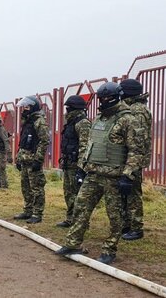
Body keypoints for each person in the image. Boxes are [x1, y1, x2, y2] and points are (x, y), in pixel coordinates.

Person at [55, 82, 143, 264]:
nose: (103, 101)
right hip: (93, 174)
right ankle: (73, 243)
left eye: (106, 98)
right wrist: (82, 168)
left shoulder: (128, 119)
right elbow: (90, 145)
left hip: (115, 177)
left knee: (115, 216)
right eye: (101, 98)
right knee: (80, 207)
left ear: (116, 97)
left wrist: (128, 176)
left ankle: (109, 250)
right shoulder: (98, 119)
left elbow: (136, 150)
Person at [120, 79, 152, 241]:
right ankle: (126, 224)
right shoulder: (132, 108)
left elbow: (138, 141)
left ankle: (136, 227)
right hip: (129, 159)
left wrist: (131, 166)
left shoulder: (137, 111)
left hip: (133, 160)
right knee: (125, 193)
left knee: (132, 193)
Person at [14, 96, 49, 224]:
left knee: (37, 188)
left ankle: (37, 213)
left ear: (33, 107)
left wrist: (38, 160)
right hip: (24, 160)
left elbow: (44, 141)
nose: (25, 109)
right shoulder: (27, 121)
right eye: (24, 107)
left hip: (33, 160)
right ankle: (27, 210)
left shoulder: (39, 121)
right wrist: (18, 158)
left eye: (27, 107)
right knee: (26, 187)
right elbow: (22, 142)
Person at [57, 95, 91, 228]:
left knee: (79, 195)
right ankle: (71, 218)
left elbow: (85, 146)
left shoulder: (83, 123)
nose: (66, 111)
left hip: (77, 165)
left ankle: (81, 222)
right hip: (68, 164)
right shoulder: (71, 123)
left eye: (68, 108)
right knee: (69, 193)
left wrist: (81, 168)